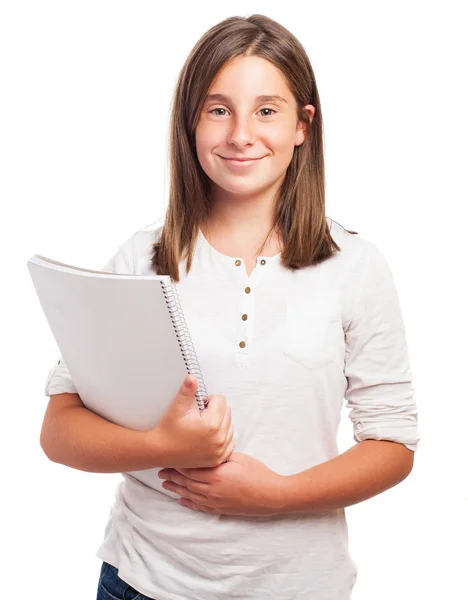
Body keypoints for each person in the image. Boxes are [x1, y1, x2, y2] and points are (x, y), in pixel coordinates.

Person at [41, 13, 420, 600]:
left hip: (300, 587)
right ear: (189, 122)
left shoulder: (356, 267)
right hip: (143, 583)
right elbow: (59, 432)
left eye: (266, 110)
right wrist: (163, 447)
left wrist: (277, 495)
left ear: (303, 125)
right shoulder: (142, 258)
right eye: (219, 109)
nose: (242, 133)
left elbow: (392, 445)